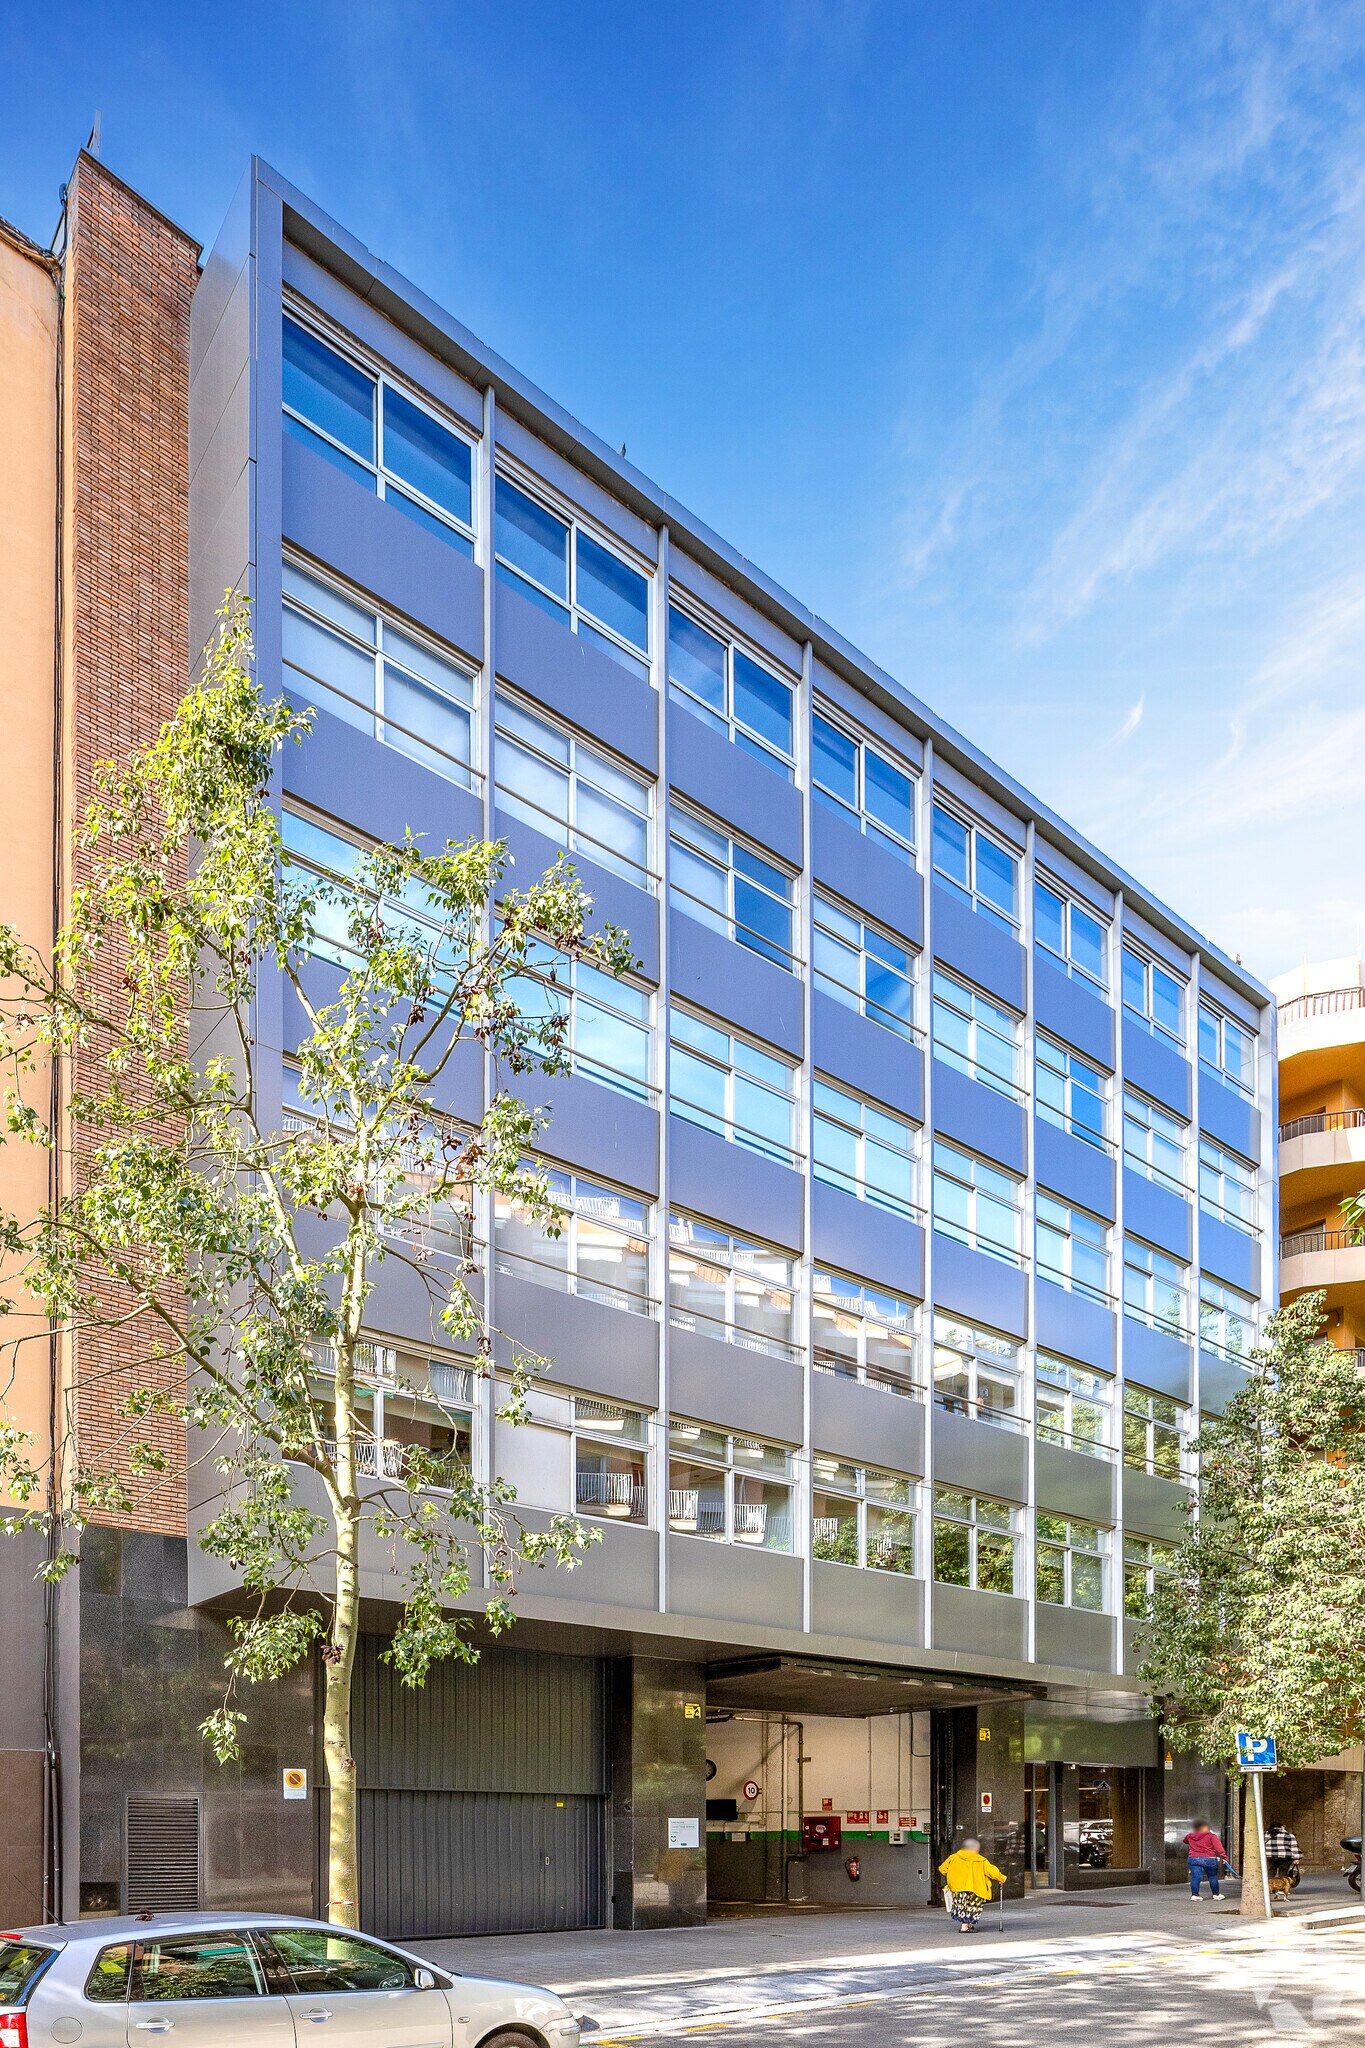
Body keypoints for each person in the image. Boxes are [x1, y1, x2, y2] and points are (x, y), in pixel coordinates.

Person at [939, 1837, 1007, 1932]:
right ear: (975, 1848)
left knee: (962, 1906)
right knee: (973, 1906)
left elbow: (942, 1869)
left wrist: (953, 1874)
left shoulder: (954, 1857)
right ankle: (964, 1927)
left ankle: (969, 1925)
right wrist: (1002, 1878)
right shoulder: (981, 1860)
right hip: (976, 1888)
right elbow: (993, 1872)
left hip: (958, 1886)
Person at [1183, 1820, 1230, 1898]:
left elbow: (1185, 1841)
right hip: (1209, 1859)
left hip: (1193, 1858)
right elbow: (1219, 1848)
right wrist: (1224, 1857)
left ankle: (1195, 1895)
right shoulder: (1212, 1836)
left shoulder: (1190, 1836)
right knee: (1212, 1877)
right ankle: (1216, 1895)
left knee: (1195, 1877)